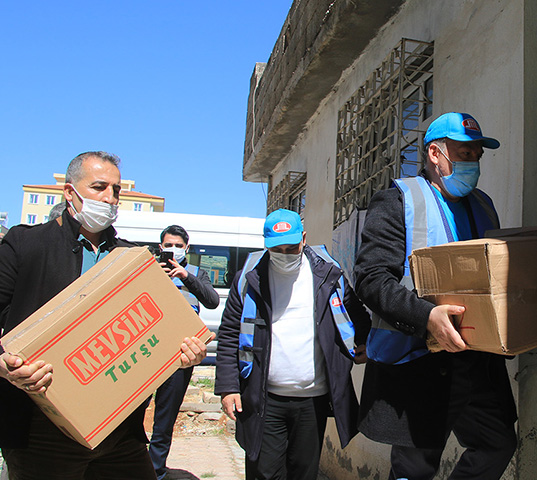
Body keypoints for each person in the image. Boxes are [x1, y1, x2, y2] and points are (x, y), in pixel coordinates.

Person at [0, 151, 212, 480]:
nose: (110, 197)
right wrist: (5, 367)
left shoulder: (131, 260)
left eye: (116, 190)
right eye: (99, 187)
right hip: (40, 432)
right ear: (70, 192)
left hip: (120, 434)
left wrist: (181, 354)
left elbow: (155, 332)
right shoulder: (25, 245)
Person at [353, 112, 518, 480]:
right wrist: (427, 316)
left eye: (477, 154)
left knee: (498, 444)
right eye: (464, 153)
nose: (473, 162)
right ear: (434, 153)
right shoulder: (398, 200)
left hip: (478, 362)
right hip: (420, 361)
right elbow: (371, 277)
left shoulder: (484, 204)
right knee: (415, 469)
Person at [215, 209, 371, 480]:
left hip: (313, 399)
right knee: (264, 472)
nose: (285, 254)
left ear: (304, 239)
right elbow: (229, 333)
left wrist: (366, 343)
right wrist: (228, 387)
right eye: (277, 249)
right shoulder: (250, 277)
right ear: (266, 245)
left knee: (303, 472)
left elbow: (356, 313)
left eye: (292, 247)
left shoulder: (328, 274)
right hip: (264, 397)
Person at [148, 225, 220, 480]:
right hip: (148, 353)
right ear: (160, 247)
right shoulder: (150, 269)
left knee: (165, 418)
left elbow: (212, 300)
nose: (173, 250)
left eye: (179, 246)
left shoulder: (197, 273)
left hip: (181, 355)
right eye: (169, 245)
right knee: (134, 415)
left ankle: (155, 470)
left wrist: (185, 276)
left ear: (187, 248)